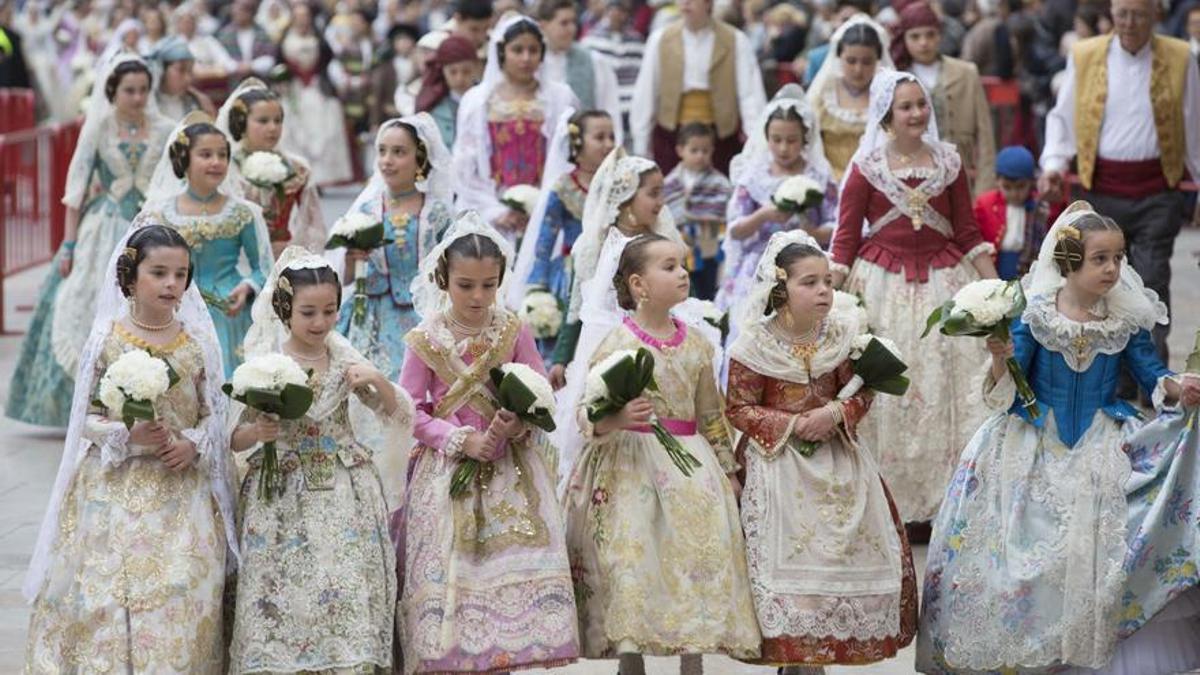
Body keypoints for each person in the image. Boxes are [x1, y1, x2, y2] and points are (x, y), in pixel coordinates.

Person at [916, 202, 1200, 674]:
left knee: (1111, 542)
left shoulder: (1125, 317)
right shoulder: (1035, 315)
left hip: (1105, 439)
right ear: (1069, 263)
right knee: (1025, 550)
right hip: (1031, 441)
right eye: (1100, 259)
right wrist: (999, 356)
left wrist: (1178, 386)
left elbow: (1150, 371)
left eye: (1118, 258)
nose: (1112, 268)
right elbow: (1010, 392)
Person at [23, 223, 238, 672]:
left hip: (181, 487)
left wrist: (194, 444)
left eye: (181, 275)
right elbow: (82, 417)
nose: (171, 284)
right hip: (112, 482)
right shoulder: (107, 338)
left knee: (180, 593)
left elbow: (214, 412)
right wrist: (124, 432)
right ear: (129, 277)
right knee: (104, 596)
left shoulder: (197, 340)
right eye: (159, 273)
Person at [561, 233, 761, 669]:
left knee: (693, 559)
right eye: (668, 266)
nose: (683, 272)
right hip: (630, 468)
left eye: (683, 264)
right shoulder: (616, 345)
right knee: (631, 558)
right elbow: (584, 410)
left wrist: (728, 469)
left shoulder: (697, 345)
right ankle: (630, 659)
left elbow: (711, 413)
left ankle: (694, 659)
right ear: (639, 285)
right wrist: (614, 419)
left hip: (691, 471)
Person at [394, 212, 580, 673]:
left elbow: (539, 387)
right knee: (456, 581)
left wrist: (518, 423)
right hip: (448, 470)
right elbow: (410, 410)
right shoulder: (424, 340)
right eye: (465, 285)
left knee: (510, 582)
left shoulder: (512, 330)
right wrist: (458, 438)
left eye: (488, 285)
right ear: (444, 280)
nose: (478, 297)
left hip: (512, 473)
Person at [726, 230, 918, 670]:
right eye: (808, 282)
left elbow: (862, 393)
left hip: (840, 461)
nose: (823, 291)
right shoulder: (754, 343)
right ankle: (793, 660)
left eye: (827, 282)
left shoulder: (844, 335)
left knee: (836, 565)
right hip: (778, 465)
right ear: (781, 289)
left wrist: (834, 414)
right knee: (791, 569)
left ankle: (817, 661)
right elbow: (738, 407)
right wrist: (793, 423)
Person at [228, 247, 414, 674]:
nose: (320, 323)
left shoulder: (345, 359)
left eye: (330, 311)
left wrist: (379, 382)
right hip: (282, 493)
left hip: (345, 488)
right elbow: (233, 437)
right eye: (308, 312)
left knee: (346, 582)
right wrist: (258, 433)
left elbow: (395, 413)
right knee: (286, 587)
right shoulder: (266, 367)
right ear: (284, 310)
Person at [832, 71, 997, 533]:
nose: (916, 114)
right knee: (890, 390)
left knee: (951, 385)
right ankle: (891, 503)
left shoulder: (948, 161)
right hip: (883, 284)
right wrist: (829, 294)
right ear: (886, 117)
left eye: (921, 105)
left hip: (944, 281)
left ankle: (951, 500)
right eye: (905, 107)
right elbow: (844, 240)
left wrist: (996, 292)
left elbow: (966, 230)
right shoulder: (866, 168)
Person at [7, 54, 173, 429]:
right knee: (82, 306)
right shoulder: (97, 127)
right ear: (112, 92)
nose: (137, 97)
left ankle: (149, 394)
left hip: (150, 226)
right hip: (104, 226)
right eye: (129, 90)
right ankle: (89, 403)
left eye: (143, 90)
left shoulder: (165, 128)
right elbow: (75, 189)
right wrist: (68, 246)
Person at [1039, 0, 1200, 360]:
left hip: (1158, 189)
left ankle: (1152, 379)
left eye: (1139, 15)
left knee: (1151, 280)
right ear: (1111, 14)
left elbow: (1194, 125)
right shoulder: (1085, 55)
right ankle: (1114, 375)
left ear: (1155, 15)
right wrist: (1053, 163)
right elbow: (1062, 117)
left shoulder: (1180, 57)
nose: (1130, 23)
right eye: (1122, 14)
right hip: (1101, 189)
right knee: (1102, 282)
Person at [548, 148, 683, 431]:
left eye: (662, 193)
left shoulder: (663, 241)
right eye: (653, 193)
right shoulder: (594, 245)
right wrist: (562, 357)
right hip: (607, 346)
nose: (661, 202)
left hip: (660, 340)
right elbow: (578, 306)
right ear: (626, 198)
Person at [143, 112, 274, 377]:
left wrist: (247, 286)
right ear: (184, 159)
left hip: (229, 313)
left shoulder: (244, 212)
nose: (216, 162)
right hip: (176, 311)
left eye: (222, 155)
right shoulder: (160, 213)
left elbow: (265, 268)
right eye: (205, 155)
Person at [717, 86, 838, 350]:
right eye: (776, 139)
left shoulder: (818, 176)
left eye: (792, 140)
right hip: (758, 266)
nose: (783, 148)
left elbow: (836, 223)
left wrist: (814, 231)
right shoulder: (753, 177)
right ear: (766, 138)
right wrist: (763, 215)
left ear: (805, 139)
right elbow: (735, 229)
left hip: (807, 267)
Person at [337, 115, 455, 381]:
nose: (387, 160)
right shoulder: (366, 209)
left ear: (420, 158)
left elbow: (454, 269)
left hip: (423, 316)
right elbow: (348, 278)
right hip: (370, 317)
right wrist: (352, 259)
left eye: (399, 152)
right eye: (382, 151)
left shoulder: (437, 212)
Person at [452, 15, 578, 240]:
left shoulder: (560, 98)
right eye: (517, 50)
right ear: (502, 52)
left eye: (533, 50)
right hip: (490, 211)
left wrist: (544, 204)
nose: (526, 58)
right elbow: (465, 166)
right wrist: (496, 211)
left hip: (549, 210)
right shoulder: (477, 102)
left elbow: (571, 157)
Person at [510, 109, 617, 331]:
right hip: (572, 274)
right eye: (599, 137)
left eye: (611, 137)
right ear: (576, 144)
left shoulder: (620, 184)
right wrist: (538, 288)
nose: (608, 144)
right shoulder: (564, 188)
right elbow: (545, 241)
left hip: (615, 272)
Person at [630, 0, 767, 174]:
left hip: (720, 137)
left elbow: (750, 96)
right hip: (672, 136)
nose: (685, 3)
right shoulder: (660, 39)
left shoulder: (736, 40)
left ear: (709, 3)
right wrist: (641, 146)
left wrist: (756, 145)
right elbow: (646, 93)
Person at [893, 0, 996, 194]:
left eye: (930, 34)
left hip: (960, 176)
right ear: (903, 39)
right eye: (915, 36)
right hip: (909, 178)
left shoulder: (966, 73)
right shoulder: (895, 77)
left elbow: (985, 135)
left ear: (940, 35)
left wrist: (985, 189)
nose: (923, 42)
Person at [217, 79, 327, 258]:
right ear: (241, 122)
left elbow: (312, 224)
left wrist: (299, 256)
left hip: (283, 256)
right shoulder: (224, 167)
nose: (273, 128)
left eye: (278, 120)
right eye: (263, 121)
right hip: (236, 258)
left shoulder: (297, 167)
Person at [806, 14, 893, 182]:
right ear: (839, 57)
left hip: (877, 183)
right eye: (851, 61)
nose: (858, 69)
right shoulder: (824, 95)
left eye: (867, 62)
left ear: (878, 60)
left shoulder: (888, 96)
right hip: (829, 182)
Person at [277, 1, 354, 187]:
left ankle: (320, 177)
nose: (303, 21)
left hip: (317, 88)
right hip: (293, 90)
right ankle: (296, 172)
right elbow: (278, 63)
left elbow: (328, 61)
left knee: (323, 126)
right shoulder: (284, 40)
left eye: (306, 17)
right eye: (299, 17)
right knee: (294, 130)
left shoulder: (319, 40)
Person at [663, 122, 734, 301]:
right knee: (684, 290)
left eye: (705, 151)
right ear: (680, 150)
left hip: (709, 246)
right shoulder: (670, 181)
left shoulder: (720, 182)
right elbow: (666, 211)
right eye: (694, 150)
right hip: (681, 247)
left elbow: (728, 213)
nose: (700, 156)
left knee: (709, 291)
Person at [536, 0, 624, 143]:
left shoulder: (594, 61)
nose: (571, 29)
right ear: (543, 26)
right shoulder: (533, 63)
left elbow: (610, 110)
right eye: (564, 23)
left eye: (573, 22)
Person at [973, 145, 1049, 280]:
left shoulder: (1039, 209)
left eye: (1021, 187)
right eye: (1007, 187)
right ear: (997, 181)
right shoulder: (985, 204)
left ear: (1031, 182)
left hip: (1026, 272)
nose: (1014, 194)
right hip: (993, 269)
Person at [580, 0, 646, 140]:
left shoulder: (637, 41)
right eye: (613, 9)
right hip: (602, 108)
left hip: (630, 107)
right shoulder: (591, 40)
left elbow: (641, 77)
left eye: (621, 11)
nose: (617, 15)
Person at [414, 34, 480, 149]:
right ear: (442, 70)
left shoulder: (487, 101)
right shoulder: (430, 106)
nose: (460, 78)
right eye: (453, 72)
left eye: (466, 71)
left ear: (476, 68)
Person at [147, 35, 218, 120]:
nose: (188, 78)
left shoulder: (198, 103)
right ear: (161, 70)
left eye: (190, 71)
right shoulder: (145, 105)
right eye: (181, 70)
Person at [216, 0, 277, 79]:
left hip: (258, 81)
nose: (237, 15)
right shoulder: (225, 35)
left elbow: (269, 59)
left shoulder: (262, 33)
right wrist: (237, 67)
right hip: (233, 83)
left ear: (250, 13)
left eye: (241, 12)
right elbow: (220, 59)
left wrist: (251, 66)